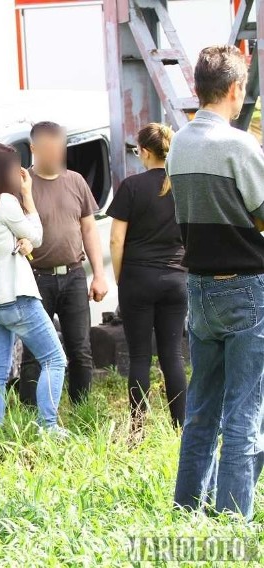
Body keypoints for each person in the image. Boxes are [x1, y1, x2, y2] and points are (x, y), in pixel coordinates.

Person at [168, 45, 264, 520]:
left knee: (202, 407)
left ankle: (187, 508)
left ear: (197, 88)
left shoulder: (180, 144)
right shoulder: (239, 145)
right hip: (246, 287)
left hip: (199, 291)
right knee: (244, 412)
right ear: (235, 89)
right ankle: (231, 521)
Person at [0, 143, 67, 432]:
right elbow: (38, 236)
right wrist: (29, 194)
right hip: (16, 296)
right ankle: (49, 428)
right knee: (55, 360)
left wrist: (22, 241)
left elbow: (1, 239)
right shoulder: (4, 203)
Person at [17, 122, 108, 406]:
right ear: (34, 149)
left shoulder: (76, 181)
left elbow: (89, 229)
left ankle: (81, 408)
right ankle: (30, 413)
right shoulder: (21, 186)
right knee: (34, 352)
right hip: (36, 278)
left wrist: (99, 275)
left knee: (80, 349)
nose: (57, 154)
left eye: (61, 148)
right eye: (50, 149)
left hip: (73, 274)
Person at [107, 123, 187, 437]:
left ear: (145, 151)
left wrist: (120, 278)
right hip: (176, 278)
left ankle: (138, 429)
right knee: (173, 355)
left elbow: (116, 240)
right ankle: (182, 429)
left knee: (139, 356)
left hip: (137, 278)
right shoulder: (182, 186)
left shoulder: (132, 186)